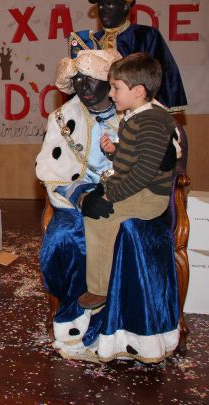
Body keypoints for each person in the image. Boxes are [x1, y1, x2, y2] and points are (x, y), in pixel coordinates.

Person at [37, 44, 181, 363]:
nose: (82, 88)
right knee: (65, 237)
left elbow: (164, 153)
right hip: (78, 197)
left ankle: (130, 334)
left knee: (130, 232)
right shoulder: (62, 118)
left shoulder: (143, 110)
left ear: (110, 81)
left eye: (90, 79)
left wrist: (166, 157)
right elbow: (51, 173)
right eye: (76, 81)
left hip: (133, 193)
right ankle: (76, 324)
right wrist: (83, 196)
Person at [79, 53, 179, 309]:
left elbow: (144, 171)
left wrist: (112, 195)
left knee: (99, 218)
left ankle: (100, 288)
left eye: (116, 88)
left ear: (138, 91)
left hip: (148, 195)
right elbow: (138, 152)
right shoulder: (139, 115)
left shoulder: (152, 121)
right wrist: (115, 149)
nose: (111, 94)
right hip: (138, 187)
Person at [69, 0, 187, 112]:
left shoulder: (146, 36)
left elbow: (164, 75)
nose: (103, 9)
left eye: (109, 4)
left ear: (125, 6)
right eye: (100, 5)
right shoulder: (89, 42)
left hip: (138, 112)